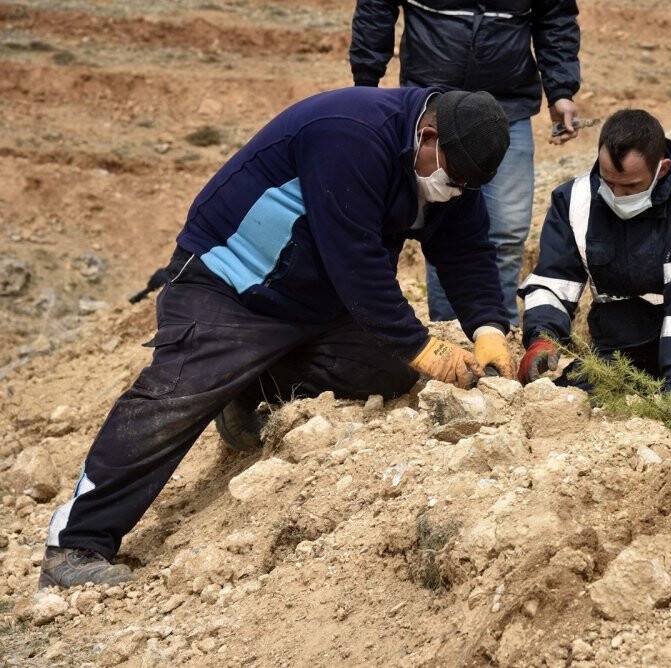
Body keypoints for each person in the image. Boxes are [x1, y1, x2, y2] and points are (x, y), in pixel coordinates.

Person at [39, 87, 517, 589]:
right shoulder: (350, 134)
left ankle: (248, 387)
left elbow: (467, 251)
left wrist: (488, 328)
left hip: (317, 297)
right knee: (175, 397)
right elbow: (356, 261)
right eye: (454, 177)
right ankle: (76, 546)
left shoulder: (451, 165)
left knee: (385, 369)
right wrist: (421, 345)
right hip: (232, 283)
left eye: (467, 184)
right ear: (428, 136)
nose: (455, 189)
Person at [517, 109, 671, 432]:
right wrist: (542, 338)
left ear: (662, 169)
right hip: (627, 330)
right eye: (609, 183)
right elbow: (553, 281)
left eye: (631, 187)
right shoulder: (574, 199)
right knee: (573, 402)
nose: (617, 196)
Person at [350, 0, 582, 325]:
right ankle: (451, 331)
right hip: (434, 104)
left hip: (507, 106)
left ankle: (498, 330)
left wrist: (561, 89)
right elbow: (377, 6)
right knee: (442, 223)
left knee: (508, 230)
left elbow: (555, 15)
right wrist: (365, 81)